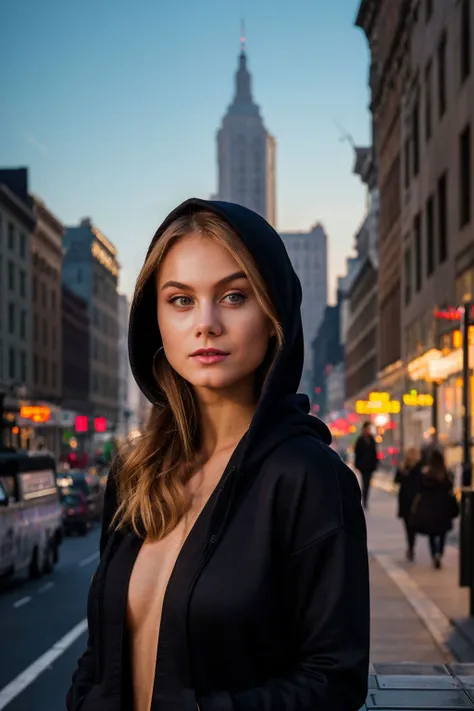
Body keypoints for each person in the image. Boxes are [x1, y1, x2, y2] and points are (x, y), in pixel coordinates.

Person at [66, 199, 370, 711]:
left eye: (233, 296)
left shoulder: (310, 479)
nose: (205, 323)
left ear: (274, 314)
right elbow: (99, 655)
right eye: (181, 300)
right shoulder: (135, 472)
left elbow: (333, 681)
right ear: (154, 320)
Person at [410, 448, 459, 569]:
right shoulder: (445, 474)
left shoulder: (427, 473)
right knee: (442, 533)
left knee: (432, 534)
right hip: (443, 507)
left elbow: (420, 487)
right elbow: (450, 488)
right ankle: (440, 553)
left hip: (430, 507)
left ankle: (433, 555)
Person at [394, 447, 422, 561]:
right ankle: (411, 546)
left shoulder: (403, 467)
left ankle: (410, 546)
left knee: (408, 526)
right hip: (417, 500)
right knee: (413, 524)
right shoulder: (420, 468)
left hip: (405, 500)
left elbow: (396, 480)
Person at [354, 421, 378, 509]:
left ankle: (365, 499)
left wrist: (376, 463)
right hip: (363, 466)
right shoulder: (360, 440)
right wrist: (357, 464)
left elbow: (374, 452)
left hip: (370, 465)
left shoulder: (372, 439)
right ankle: (364, 500)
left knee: (367, 483)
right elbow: (357, 453)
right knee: (365, 482)